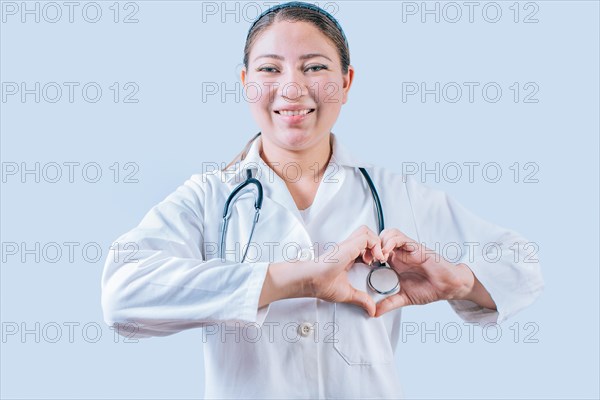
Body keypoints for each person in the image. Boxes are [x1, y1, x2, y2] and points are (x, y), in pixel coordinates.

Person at [101, 2, 544, 398]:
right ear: (245, 83)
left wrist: (460, 281)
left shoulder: (396, 193)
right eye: (270, 69)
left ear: (346, 83)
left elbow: (522, 265)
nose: (292, 88)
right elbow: (123, 293)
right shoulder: (208, 197)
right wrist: (295, 279)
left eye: (314, 68)